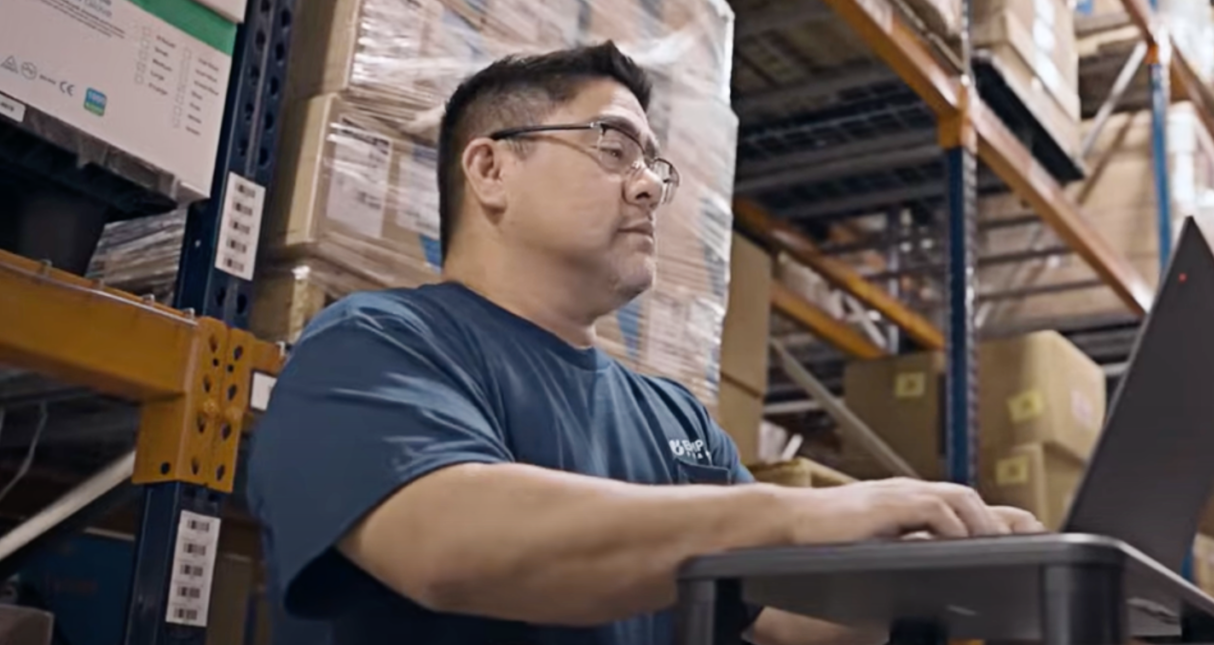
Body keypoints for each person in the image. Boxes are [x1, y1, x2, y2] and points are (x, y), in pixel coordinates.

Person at [246, 42, 1044, 645]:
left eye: (655, 166)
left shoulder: (676, 420)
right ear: (490, 168)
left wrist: (949, 579)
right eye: (613, 147)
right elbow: (447, 544)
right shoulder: (373, 346)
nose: (648, 185)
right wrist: (796, 516)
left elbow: (798, 618)